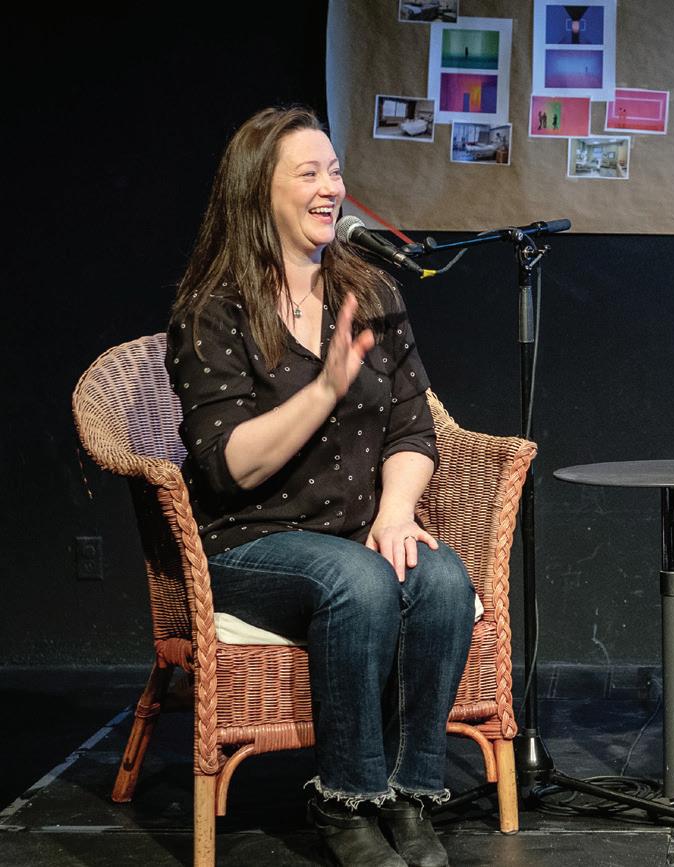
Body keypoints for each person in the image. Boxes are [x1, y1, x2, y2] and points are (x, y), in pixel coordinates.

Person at [166, 106, 473, 867]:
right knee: (358, 581)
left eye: (335, 171)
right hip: (249, 544)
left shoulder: (370, 293)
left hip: (355, 532)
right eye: (309, 173)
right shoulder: (213, 311)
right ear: (257, 191)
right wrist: (325, 388)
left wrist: (396, 513)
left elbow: (414, 429)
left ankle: (408, 794)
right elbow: (229, 464)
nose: (331, 187)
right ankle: (346, 800)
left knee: (439, 577)